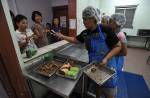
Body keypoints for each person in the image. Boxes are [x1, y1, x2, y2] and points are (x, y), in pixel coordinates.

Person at [54, 6, 121, 98]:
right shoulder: (86, 33)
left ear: (93, 18)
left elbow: (118, 46)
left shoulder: (105, 29)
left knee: (109, 92)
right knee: (97, 86)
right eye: (83, 19)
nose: (84, 21)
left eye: (85, 19)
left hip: (107, 66)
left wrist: (106, 58)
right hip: (94, 66)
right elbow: (75, 40)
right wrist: (62, 36)